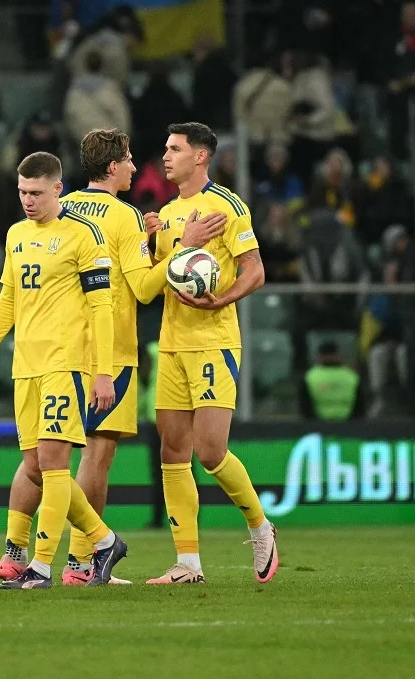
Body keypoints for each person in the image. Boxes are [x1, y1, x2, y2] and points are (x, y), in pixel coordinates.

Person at [0, 128, 225, 586]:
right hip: (108, 355)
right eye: (131, 160)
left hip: (52, 349)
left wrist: (154, 242)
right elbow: (141, 288)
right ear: (115, 166)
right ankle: (82, 562)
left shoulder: (63, 208)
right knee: (93, 458)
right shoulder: (126, 216)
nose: (137, 167)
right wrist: (182, 248)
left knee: (38, 461)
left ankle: (15, 553)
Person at [0, 151, 128, 589]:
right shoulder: (15, 235)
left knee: (52, 462)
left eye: (35, 193)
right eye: (22, 192)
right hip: (25, 365)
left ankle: (42, 567)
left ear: (57, 189)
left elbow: (102, 307)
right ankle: (104, 541)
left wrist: (103, 373)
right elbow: (7, 302)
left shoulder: (84, 236)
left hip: (66, 364)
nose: (27, 200)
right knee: (33, 466)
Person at [144, 122, 278, 585]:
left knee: (210, 450)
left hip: (213, 341)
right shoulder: (164, 214)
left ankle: (261, 526)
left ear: (200, 156)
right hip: (172, 341)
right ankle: (188, 564)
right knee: (172, 451)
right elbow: (157, 276)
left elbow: (255, 271)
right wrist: (150, 241)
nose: (166, 156)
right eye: (166, 148)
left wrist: (221, 299)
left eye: (175, 149)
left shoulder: (226, 205)